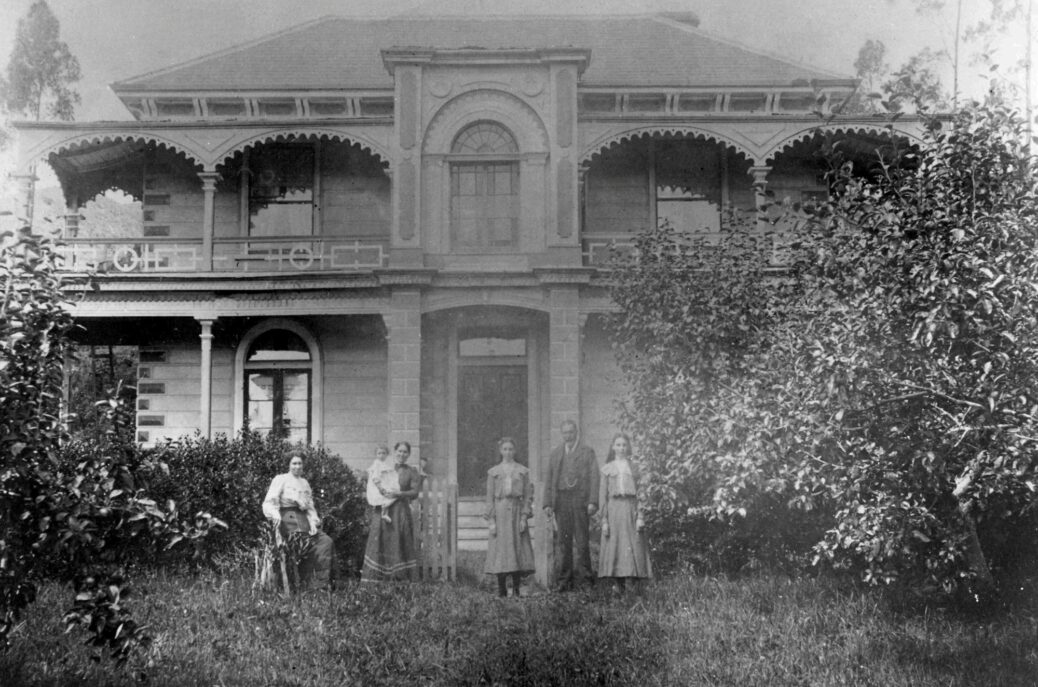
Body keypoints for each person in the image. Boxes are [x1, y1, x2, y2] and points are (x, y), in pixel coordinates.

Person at [262, 454, 335, 590]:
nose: (297, 466)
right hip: (287, 517)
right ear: (288, 465)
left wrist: (313, 522)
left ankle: (319, 583)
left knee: (325, 541)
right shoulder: (281, 479)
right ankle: (298, 583)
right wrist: (275, 516)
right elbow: (269, 502)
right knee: (299, 542)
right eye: (294, 463)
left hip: (304, 519)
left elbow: (310, 507)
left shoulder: (305, 483)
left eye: (299, 463)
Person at [544, 419, 600, 592]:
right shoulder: (556, 454)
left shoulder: (587, 452)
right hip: (562, 502)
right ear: (562, 434)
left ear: (577, 433)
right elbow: (549, 480)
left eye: (571, 432)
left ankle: (586, 581)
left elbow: (594, 477)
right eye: (565, 432)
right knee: (563, 543)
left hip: (579, 501)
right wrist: (548, 503)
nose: (568, 435)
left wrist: (592, 501)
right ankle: (564, 581)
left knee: (582, 542)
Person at [598, 434, 652, 595]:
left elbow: (642, 492)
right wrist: (604, 520)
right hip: (614, 509)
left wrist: (640, 516)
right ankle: (617, 586)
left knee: (632, 545)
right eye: (618, 445)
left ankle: (632, 586)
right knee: (615, 546)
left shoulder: (635, 468)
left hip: (630, 508)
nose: (621, 448)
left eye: (624, 445)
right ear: (613, 447)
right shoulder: (607, 469)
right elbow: (603, 496)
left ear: (628, 447)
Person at [361, 441, 421, 582]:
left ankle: (400, 579)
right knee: (381, 538)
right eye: (399, 451)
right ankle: (378, 578)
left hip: (400, 511)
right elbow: (373, 480)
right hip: (383, 507)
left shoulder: (411, 471)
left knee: (399, 540)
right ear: (394, 453)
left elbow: (415, 492)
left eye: (405, 452)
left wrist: (399, 494)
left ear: (409, 454)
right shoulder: (386, 467)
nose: (402, 454)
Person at [484, 437, 535, 598]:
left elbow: (527, 496)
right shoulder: (493, 472)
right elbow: (490, 497)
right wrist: (491, 520)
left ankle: (517, 589)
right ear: (500, 451)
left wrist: (524, 517)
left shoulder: (522, 471)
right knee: (501, 550)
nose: (508, 452)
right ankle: (502, 589)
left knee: (517, 548)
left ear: (515, 451)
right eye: (505, 449)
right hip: (499, 512)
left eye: (510, 449)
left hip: (516, 511)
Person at [366, 445, 396, 523]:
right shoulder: (377, 464)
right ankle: (384, 513)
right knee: (386, 498)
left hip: (383, 485)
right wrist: (380, 488)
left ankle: (385, 512)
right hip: (377, 487)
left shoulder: (384, 464)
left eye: (383, 453)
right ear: (376, 455)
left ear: (387, 454)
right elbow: (375, 478)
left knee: (393, 496)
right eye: (379, 453)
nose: (381, 455)